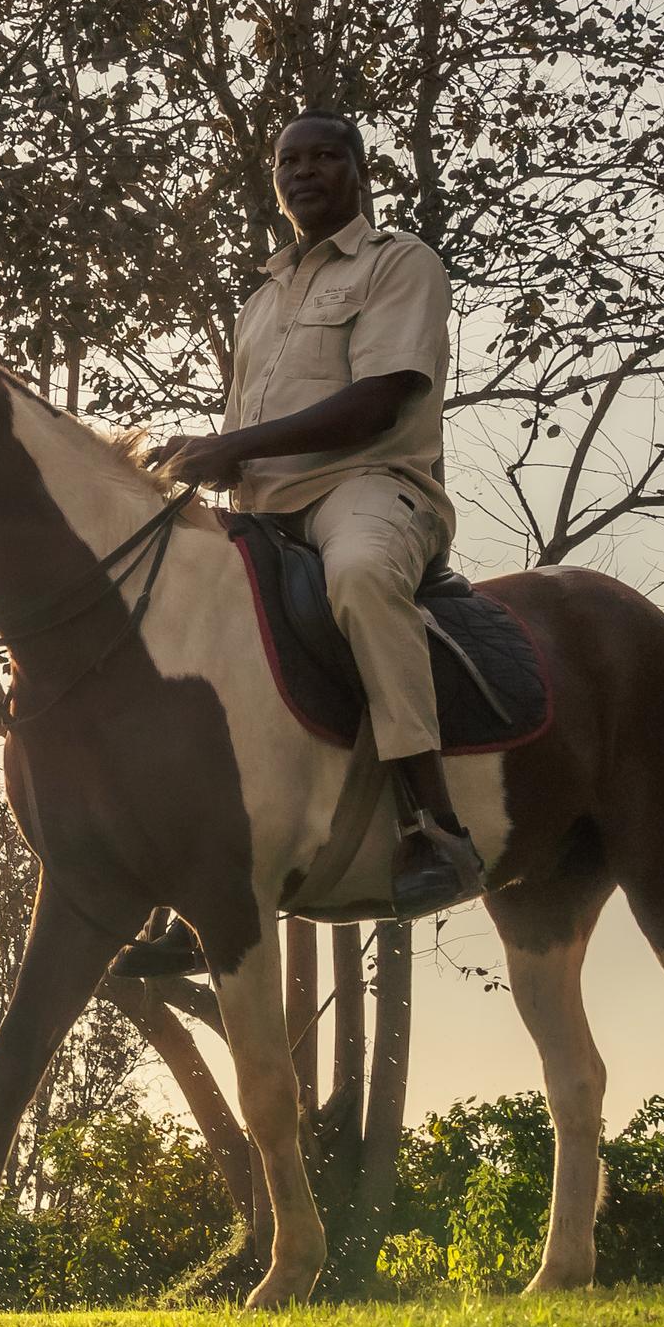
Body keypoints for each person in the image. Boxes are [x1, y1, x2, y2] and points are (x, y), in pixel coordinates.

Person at [148, 110, 483, 931]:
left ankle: (432, 823)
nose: (304, 170)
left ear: (359, 171)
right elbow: (248, 431)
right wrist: (204, 464)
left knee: (362, 578)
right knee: (156, 596)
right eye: (288, 159)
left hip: (366, 488)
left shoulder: (400, 263)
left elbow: (379, 401)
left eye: (325, 155)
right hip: (259, 510)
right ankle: (176, 858)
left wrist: (230, 446)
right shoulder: (260, 300)